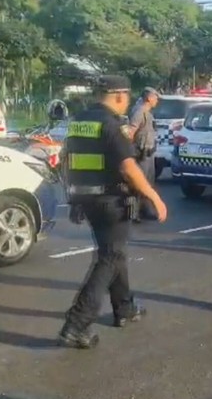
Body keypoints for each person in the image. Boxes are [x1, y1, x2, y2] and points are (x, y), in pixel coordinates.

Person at [57, 75, 169, 350]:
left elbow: (66, 162)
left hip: (86, 198)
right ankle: (77, 324)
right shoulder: (111, 124)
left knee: (113, 250)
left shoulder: (78, 122)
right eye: (127, 98)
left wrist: (74, 200)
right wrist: (152, 195)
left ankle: (125, 308)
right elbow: (128, 167)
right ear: (120, 96)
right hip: (110, 201)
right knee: (110, 257)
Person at [129, 87, 160, 221]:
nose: (157, 100)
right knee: (138, 184)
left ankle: (145, 210)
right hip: (140, 153)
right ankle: (134, 213)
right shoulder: (139, 112)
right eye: (155, 97)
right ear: (149, 98)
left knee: (148, 183)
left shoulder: (148, 113)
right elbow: (131, 132)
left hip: (149, 153)